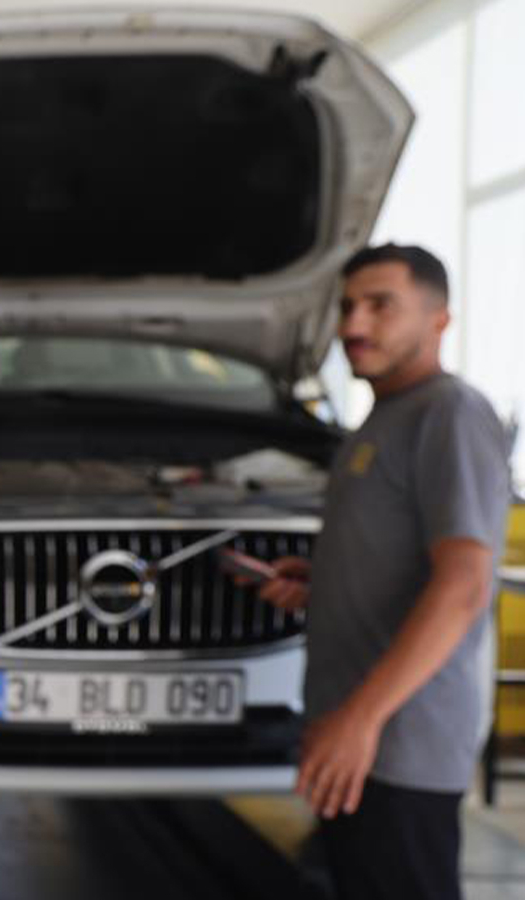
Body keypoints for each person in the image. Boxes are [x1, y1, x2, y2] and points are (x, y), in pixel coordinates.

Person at [255, 244, 512, 900]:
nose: (352, 327)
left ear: (438, 320)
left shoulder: (448, 413)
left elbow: (463, 585)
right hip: (358, 743)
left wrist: (359, 720)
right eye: (346, 308)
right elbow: (407, 561)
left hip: (398, 747)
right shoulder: (381, 423)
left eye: (380, 306)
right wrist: (323, 579)